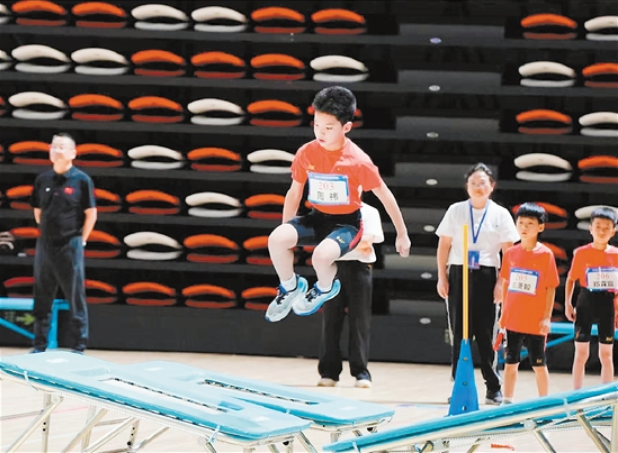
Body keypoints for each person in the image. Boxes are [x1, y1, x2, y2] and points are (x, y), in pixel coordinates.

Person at [265, 86, 411, 323]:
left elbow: (385, 196)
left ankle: (324, 287)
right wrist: (287, 228)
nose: (320, 133)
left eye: (328, 128)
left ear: (346, 127)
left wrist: (402, 234)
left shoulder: (359, 161)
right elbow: (294, 193)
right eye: (316, 125)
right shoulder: (306, 152)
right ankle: (290, 287)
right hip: (317, 217)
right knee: (276, 238)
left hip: (347, 225)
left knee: (320, 257)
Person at [435, 162, 519, 405]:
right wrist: (442, 276)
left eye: (483, 183)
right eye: (473, 183)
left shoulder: (500, 214)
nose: (478, 187)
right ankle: (460, 385)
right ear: (467, 186)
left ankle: (493, 387)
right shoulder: (455, 210)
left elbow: (509, 252)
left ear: (492, 186)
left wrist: (501, 282)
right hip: (458, 272)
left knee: (486, 333)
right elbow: (444, 245)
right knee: (459, 333)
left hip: (487, 274)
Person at [31, 132, 97, 353]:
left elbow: (91, 214)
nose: (56, 151)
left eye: (61, 147)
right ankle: (39, 345)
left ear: (73, 153)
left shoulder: (82, 180)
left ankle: (79, 346)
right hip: (45, 245)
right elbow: (38, 211)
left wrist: (81, 240)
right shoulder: (42, 180)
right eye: (53, 147)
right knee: (42, 296)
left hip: (70, 244)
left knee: (75, 297)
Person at [317, 201, 383, 389]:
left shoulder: (369, 211)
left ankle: (361, 372)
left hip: (360, 268)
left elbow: (367, 243)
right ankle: (329, 372)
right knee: (331, 319)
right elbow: (323, 239)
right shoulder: (329, 210)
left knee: (359, 320)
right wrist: (356, 243)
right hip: (333, 266)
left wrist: (339, 243)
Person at [498, 203, 559, 403]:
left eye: (530, 224)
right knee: (510, 362)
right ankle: (507, 401)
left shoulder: (546, 255)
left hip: (535, 321)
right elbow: (506, 283)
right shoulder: (510, 253)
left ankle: (544, 402)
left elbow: (551, 287)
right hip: (513, 319)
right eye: (521, 223)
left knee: (539, 364)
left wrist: (546, 317)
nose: (524, 227)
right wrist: (503, 314)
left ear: (540, 227)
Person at [565, 206, 618, 390]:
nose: (602, 231)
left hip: (608, 304)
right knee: (581, 353)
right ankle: (576, 393)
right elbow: (571, 279)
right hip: (586, 301)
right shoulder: (581, 253)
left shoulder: (616, 254)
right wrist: (568, 304)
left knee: (606, 354)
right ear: (590, 229)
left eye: (606, 228)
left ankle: (606, 394)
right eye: (598, 227)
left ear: (613, 231)